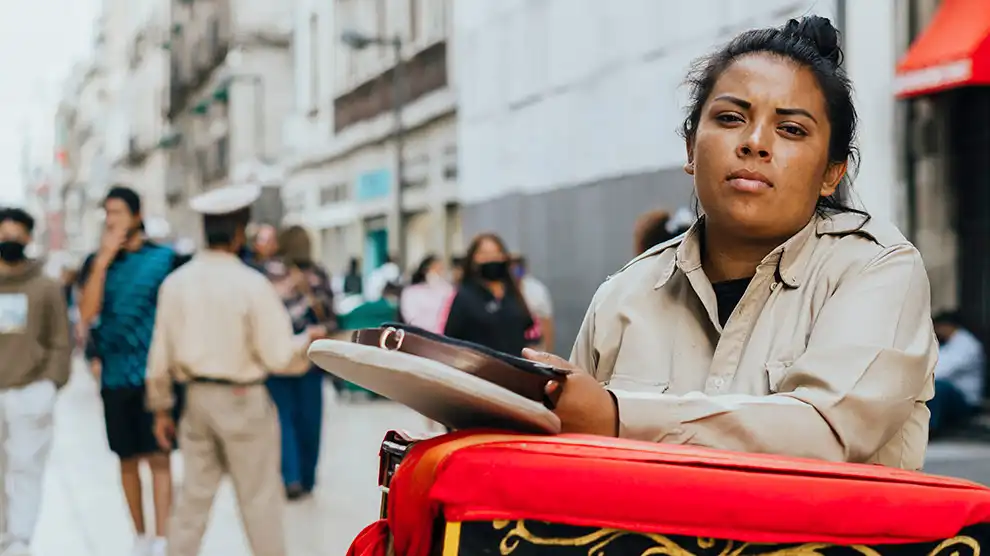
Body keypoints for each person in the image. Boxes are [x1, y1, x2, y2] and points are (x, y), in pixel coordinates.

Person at [524, 16, 937, 470]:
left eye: (791, 130)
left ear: (830, 174)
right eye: (730, 118)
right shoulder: (623, 297)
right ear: (690, 149)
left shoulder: (877, 271)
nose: (755, 143)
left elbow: (828, 431)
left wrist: (618, 416)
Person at [145, 183, 325, 556]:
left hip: (196, 400)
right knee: (259, 502)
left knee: (192, 503)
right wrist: (308, 340)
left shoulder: (177, 284)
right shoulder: (252, 284)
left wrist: (161, 407)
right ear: (240, 231)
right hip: (244, 401)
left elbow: (159, 356)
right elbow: (277, 356)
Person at [77, 186, 184, 556]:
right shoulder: (97, 263)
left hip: (155, 376)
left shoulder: (165, 258)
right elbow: (88, 315)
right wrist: (103, 262)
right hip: (115, 376)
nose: (111, 219)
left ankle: (162, 538)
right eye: (107, 212)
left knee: (160, 457)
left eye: (118, 212)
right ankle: (139, 537)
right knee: (126, 460)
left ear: (137, 216)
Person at [0, 207, 71, 556]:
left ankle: (20, 540)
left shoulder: (45, 286)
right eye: (4, 232)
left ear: (28, 237)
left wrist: (50, 384)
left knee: (27, 469)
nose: (9, 240)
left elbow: (61, 339)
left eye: (16, 234)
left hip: (30, 392)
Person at [265, 225, 337, 500]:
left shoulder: (268, 273)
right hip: (311, 357)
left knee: (283, 418)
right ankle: (307, 477)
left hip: (278, 358)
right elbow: (331, 318)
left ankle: (290, 477)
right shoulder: (318, 274)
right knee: (311, 419)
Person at [443, 234, 537, 356]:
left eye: (496, 253)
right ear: (473, 259)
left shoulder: (513, 293)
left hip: (517, 368)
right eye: (484, 254)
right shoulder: (465, 296)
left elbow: (529, 329)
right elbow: (450, 339)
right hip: (479, 370)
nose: (491, 259)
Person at [929, 312, 985, 435]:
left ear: (946, 326)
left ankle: (930, 430)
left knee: (937, 387)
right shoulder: (948, 343)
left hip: (966, 400)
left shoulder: (966, 344)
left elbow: (941, 371)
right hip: (952, 396)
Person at [511, 255, 555, 353]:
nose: (515, 271)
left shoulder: (536, 290)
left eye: (518, 267)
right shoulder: (500, 291)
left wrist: (547, 352)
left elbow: (547, 323)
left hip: (534, 349)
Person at [399, 254, 454, 333]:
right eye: (434, 269)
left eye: (441, 269)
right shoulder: (411, 292)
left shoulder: (447, 290)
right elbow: (410, 316)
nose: (438, 272)